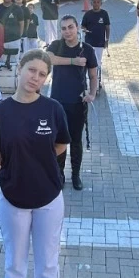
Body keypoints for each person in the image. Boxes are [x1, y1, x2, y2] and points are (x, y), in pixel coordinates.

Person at [0, 50, 70, 278]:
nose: (36, 78)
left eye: (43, 74)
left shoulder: (53, 108)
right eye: (32, 70)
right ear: (19, 68)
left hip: (48, 197)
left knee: (47, 260)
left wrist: (34, 159)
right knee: (14, 259)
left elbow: (59, 145)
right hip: (13, 198)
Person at [47, 15, 98, 191]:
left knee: (76, 141)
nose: (67, 31)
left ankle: (75, 175)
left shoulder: (87, 49)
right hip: (57, 102)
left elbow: (93, 75)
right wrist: (72, 61)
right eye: (63, 28)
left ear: (77, 28)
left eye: (70, 27)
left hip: (77, 103)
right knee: (58, 141)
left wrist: (92, 94)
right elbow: (49, 59)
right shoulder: (57, 45)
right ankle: (59, 174)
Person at [81, 0, 111, 86]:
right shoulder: (87, 14)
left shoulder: (104, 14)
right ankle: (86, 81)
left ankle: (97, 81)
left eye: (98, 2)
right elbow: (82, 25)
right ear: (91, 3)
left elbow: (107, 27)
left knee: (97, 62)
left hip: (100, 42)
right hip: (88, 42)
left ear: (101, 3)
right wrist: (84, 29)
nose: (96, 4)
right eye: (94, 2)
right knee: (87, 62)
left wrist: (107, 40)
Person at [2, 0, 30, 68]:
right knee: (3, 61)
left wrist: (21, 34)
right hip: (4, 39)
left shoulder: (21, 9)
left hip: (18, 37)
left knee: (18, 58)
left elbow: (24, 22)